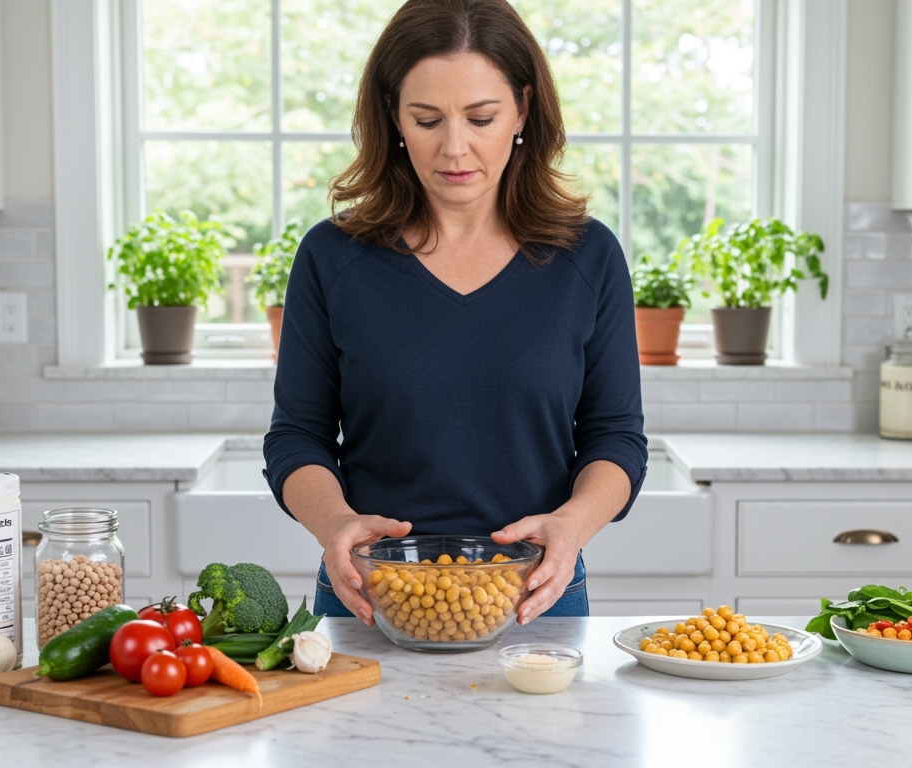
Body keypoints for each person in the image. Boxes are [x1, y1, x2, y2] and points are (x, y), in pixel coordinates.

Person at [262, 0, 646, 627]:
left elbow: (616, 436)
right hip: (371, 597)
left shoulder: (588, 256)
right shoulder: (333, 258)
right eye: (427, 118)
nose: (455, 147)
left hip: (535, 599)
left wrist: (570, 526)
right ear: (394, 117)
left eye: (481, 116)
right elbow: (297, 436)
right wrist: (336, 523)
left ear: (522, 109)